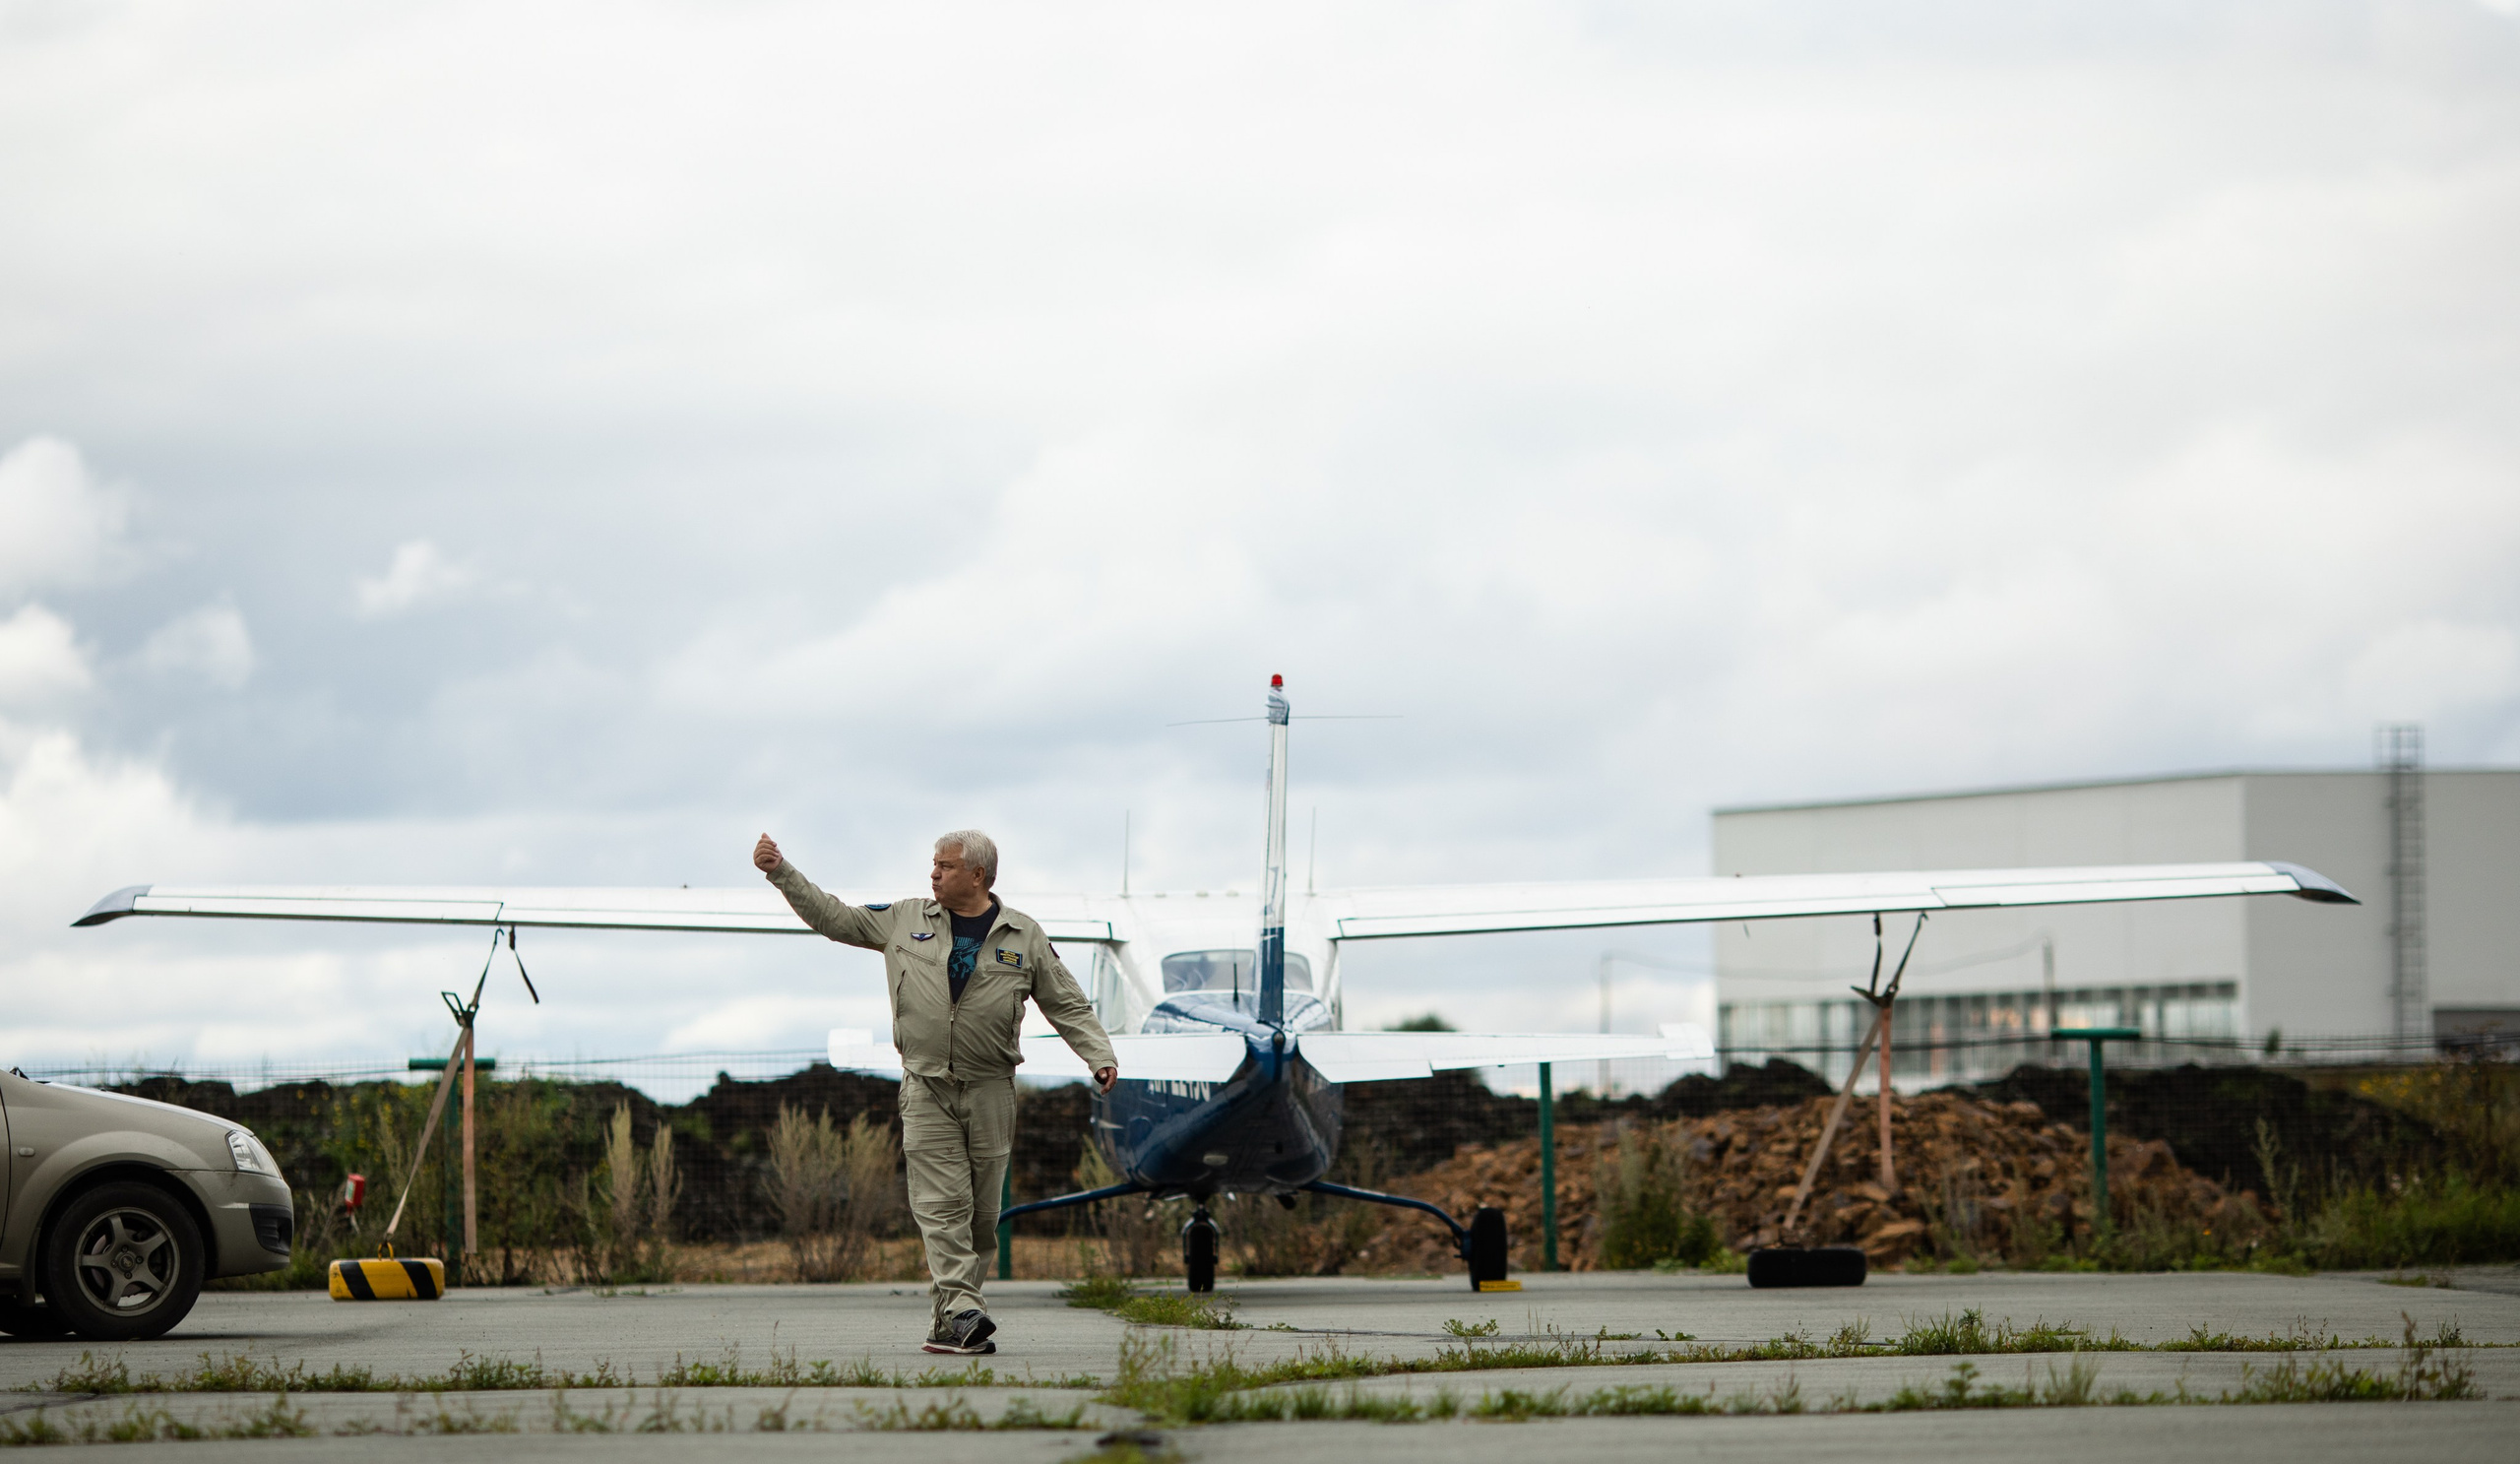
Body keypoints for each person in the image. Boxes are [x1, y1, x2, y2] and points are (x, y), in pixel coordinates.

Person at [753, 828, 1116, 1355]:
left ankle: (949, 1323)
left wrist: (1099, 1056)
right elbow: (833, 918)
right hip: (926, 1086)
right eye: (933, 865)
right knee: (942, 1205)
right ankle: (966, 1309)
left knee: (983, 1218)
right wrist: (780, 872)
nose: (932, 874)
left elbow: (1067, 1003)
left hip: (992, 1089)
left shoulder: (1024, 935)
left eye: (944, 866)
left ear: (977, 875)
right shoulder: (904, 918)